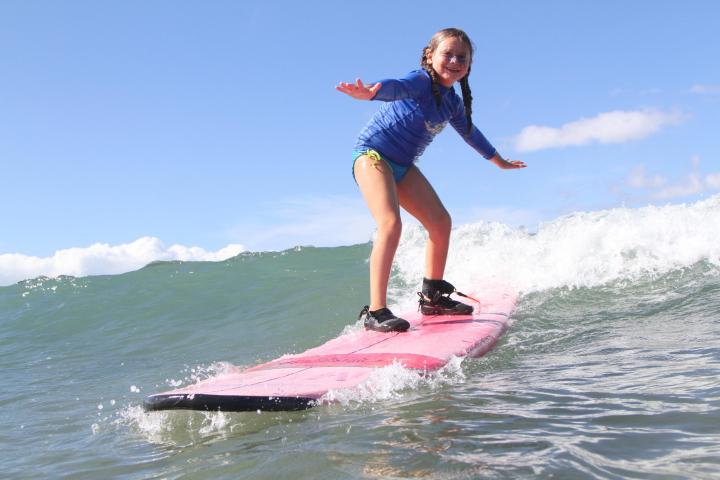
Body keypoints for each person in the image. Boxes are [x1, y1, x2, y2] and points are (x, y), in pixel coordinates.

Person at [337, 27, 526, 333]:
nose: (454, 60)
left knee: (440, 221)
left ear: (469, 66)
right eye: (447, 54)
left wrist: (499, 161)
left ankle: (433, 296)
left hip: (402, 165)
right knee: (390, 223)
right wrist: (372, 92)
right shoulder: (421, 80)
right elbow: (397, 86)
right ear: (429, 56)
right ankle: (376, 311)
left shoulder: (452, 102)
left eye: (461, 57)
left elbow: (470, 133)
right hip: (372, 156)